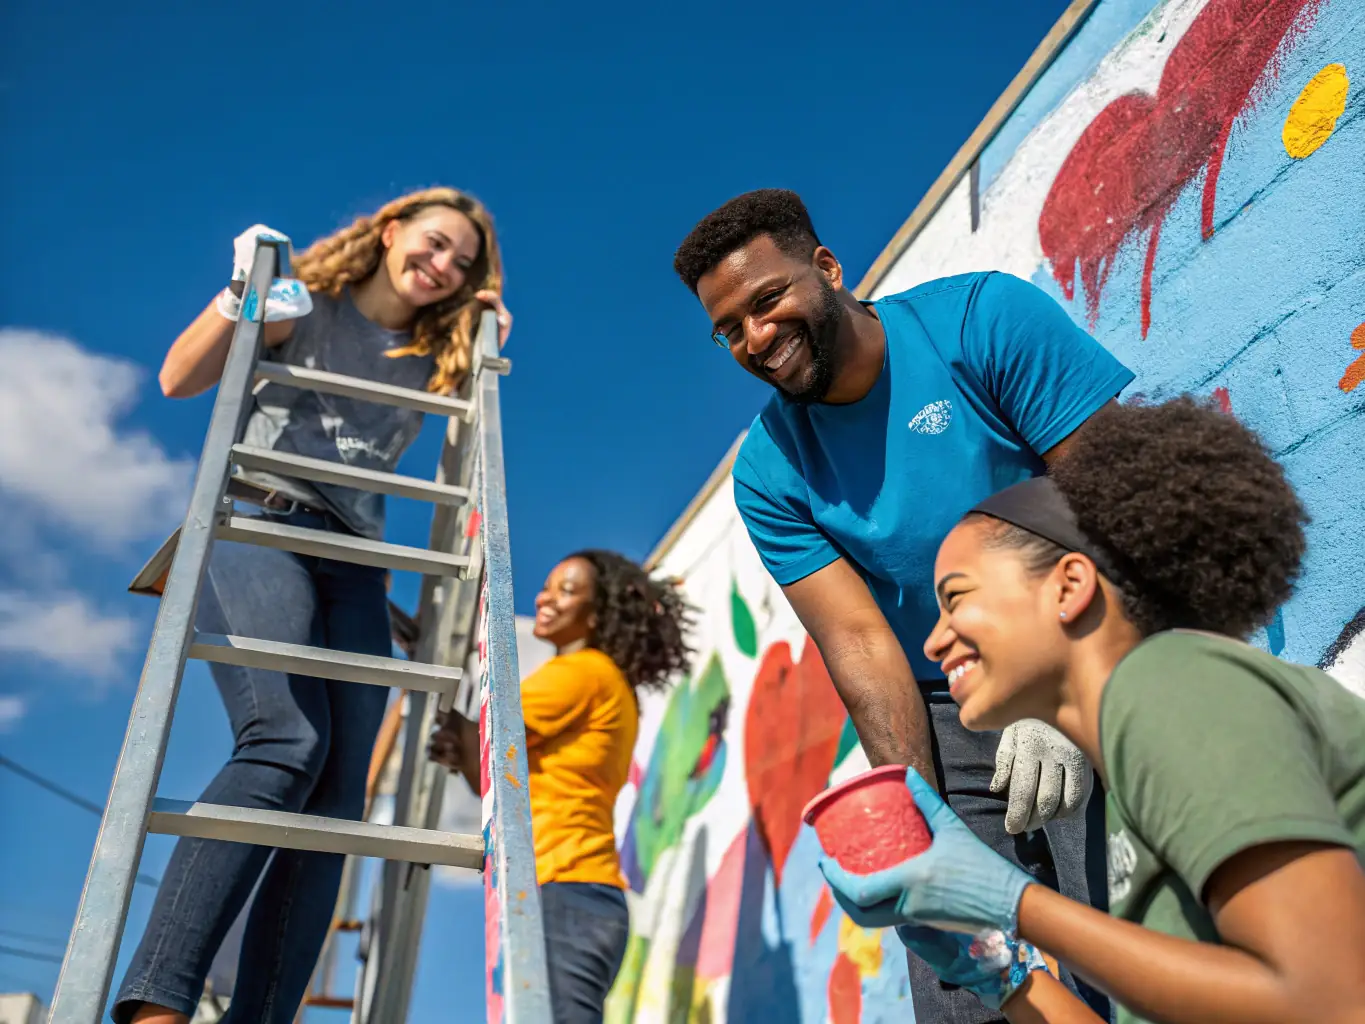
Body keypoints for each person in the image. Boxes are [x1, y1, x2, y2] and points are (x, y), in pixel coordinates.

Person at [672, 188, 1126, 1018]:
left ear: (827, 268)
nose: (754, 339)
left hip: (1083, 640)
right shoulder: (768, 471)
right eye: (728, 329)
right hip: (944, 703)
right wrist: (916, 820)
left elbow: (1109, 493)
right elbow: (859, 644)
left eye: (766, 301)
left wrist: (1064, 686)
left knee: (1120, 938)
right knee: (965, 974)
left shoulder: (982, 321)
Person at [819, 397, 1365, 1023]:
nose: (933, 641)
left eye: (957, 599)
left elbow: (1328, 999)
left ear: (1070, 587)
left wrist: (1015, 899)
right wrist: (997, 966)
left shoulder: (1173, 682)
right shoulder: (1129, 803)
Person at [115, 187, 513, 1024]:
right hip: (260, 519)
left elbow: (467, 433)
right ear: (391, 229)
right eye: (435, 244)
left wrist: (485, 342)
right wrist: (243, 294)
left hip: (355, 564)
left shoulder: (433, 354)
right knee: (286, 740)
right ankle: (159, 1004)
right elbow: (179, 378)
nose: (442, 268)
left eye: (462, 263)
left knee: (337, 801)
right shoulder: (309, 306)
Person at [429, 550, 694, 1024]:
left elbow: (493, 734)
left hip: (565, 889)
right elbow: (491, 776)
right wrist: (462, 742)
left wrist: (442, 702)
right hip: (575, 895)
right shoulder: (604, 682)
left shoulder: (582, 673)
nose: (547, 598)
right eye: (548, 586)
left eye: (567, 591)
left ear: (595, 615)